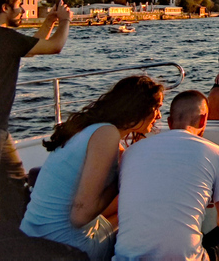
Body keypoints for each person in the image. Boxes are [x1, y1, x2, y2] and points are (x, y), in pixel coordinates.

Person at [20, 75, 164, 261]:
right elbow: (80, 217)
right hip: (64, 246)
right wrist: (123, 181)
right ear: (138, 107)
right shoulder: (106, 134)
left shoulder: (89, 129)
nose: (159, 116)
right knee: (144, 208)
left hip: (31, 236)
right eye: (157, 108)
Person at [114, 90, 219, 261]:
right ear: (203, 120)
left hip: (125, 258)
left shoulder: (131, 152)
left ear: (169, 122)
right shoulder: (217, 154)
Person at [0, 0, 72, 224]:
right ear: (4, 8)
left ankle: (16, 238)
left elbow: (31, 48)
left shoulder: (6, 39)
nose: (22, 10)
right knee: (14, 186)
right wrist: (65, 21)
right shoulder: (4, 38)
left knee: (15, 185)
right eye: (18, 5)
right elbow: (55, 46)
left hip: (1, 128)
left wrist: (50, 21)